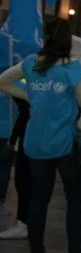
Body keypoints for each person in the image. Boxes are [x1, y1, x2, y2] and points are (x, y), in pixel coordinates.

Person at [0, 19, 81, 253]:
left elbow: (3, 81)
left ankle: (37, 249)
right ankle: (75, 250)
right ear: (68, 40)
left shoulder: (31, 63)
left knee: (38, 198)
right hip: (63, 145)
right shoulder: (72, 68)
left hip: (35, 143)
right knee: (76, 200)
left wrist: (30, 95)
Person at [0, 97, 30, 240]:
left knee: (21, 179)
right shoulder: (18, 89)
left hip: (14, 133)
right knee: (4, 169)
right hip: (10, 130)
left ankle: (23, 222)